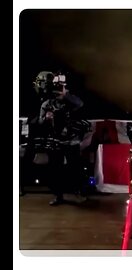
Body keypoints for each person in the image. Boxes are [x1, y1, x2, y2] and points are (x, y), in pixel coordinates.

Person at [37, 76, 84, 206]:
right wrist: (46, 118)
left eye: (61, 88)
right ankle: (58, 196)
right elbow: (40, 122)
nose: (57, 92)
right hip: (54, 142)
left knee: (75, 168)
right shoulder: (47, 104)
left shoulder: (70, 102)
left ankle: (77, 192)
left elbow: (80, 104)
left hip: (71, 141)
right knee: (55, 170)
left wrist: (65, 94)